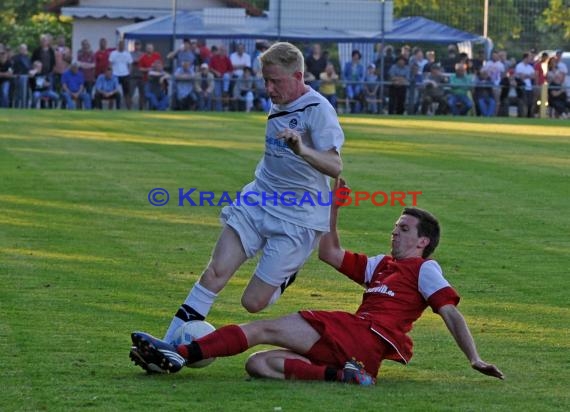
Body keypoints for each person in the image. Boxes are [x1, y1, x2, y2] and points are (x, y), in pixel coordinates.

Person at [130, 179, 505, 385]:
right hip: (357, 351)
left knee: (262, 328)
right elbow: (330, 253)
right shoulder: (381, 265)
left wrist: (474, 357)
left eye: (403, 229)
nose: (394, 233)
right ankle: (344, 376)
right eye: (394, 227)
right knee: (259, 365)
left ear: (423, 242)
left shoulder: (425, 269)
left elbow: (450, 314)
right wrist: (333, 207)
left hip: (364, 334)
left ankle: (178, 354)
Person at [129, 42, 344, 360]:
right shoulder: (280, 98)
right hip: (258, 198)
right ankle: (170, 348)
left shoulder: (318, 110)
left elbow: (336, 166)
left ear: (298, 76)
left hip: (298, 216)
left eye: (276, 81)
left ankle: (284, 276)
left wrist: (303, 150)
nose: (269, 89)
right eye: (265, 81)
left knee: (253, 303)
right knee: (214, 273)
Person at [109, 40, 133, 109]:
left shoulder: (127, 54)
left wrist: (129, 73)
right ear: (118, 45)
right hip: (115, 75)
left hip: (125, 75)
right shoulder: (113, 53)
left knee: (127, 93)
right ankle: (110, 109)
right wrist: (111, 73)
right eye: (120, 45)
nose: (122, 46)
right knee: (112, 92)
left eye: (123, 45)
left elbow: (130, 64)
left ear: (124, 46)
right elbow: (110, 64)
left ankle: (129, 109)